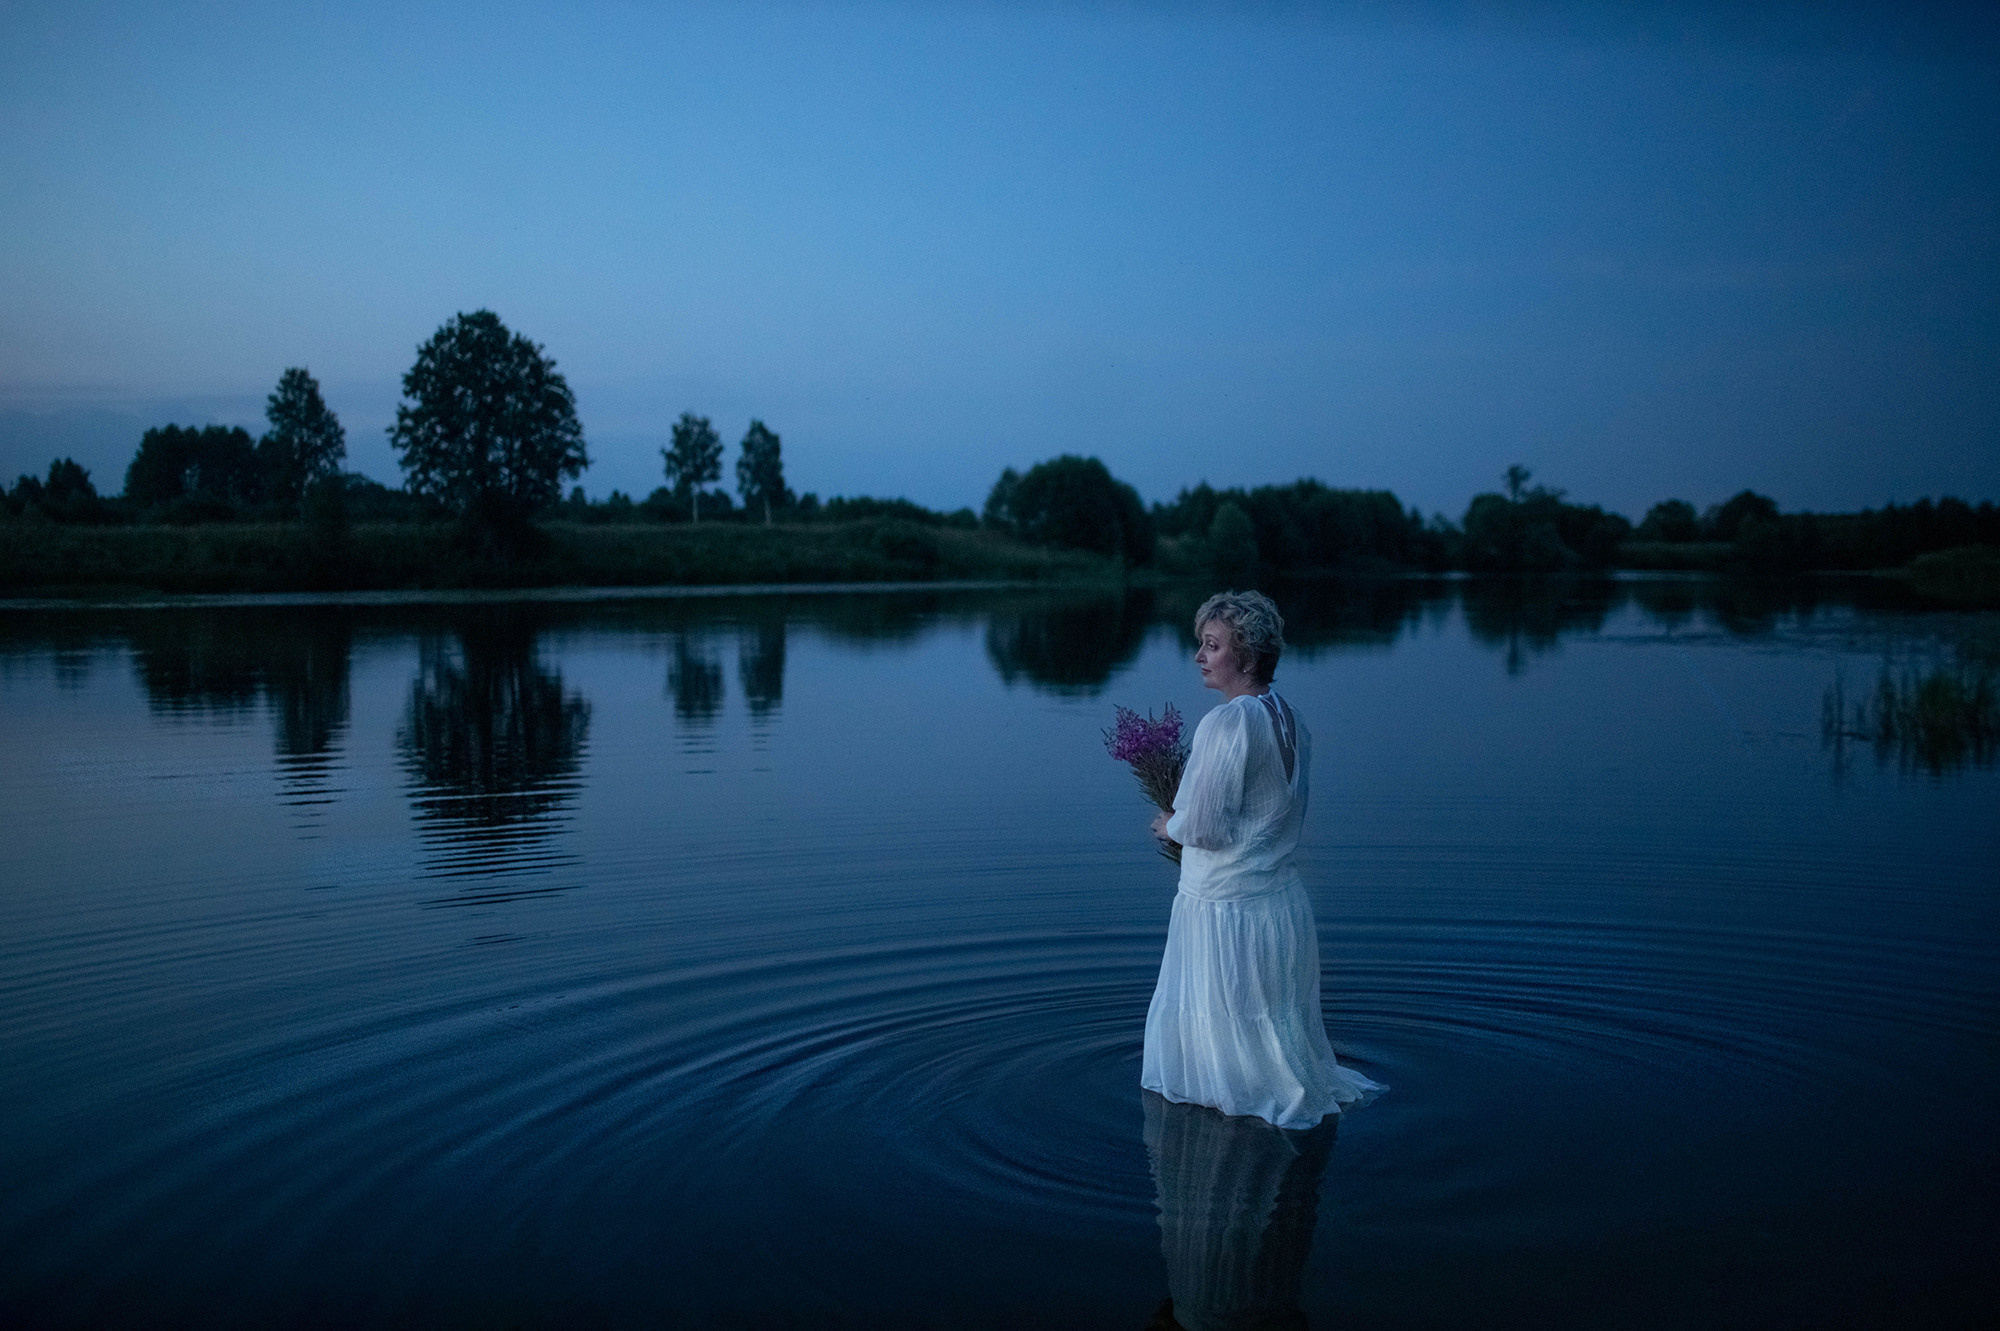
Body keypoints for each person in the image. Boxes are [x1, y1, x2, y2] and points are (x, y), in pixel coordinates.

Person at [1142, 590, 1381, 1129]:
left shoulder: (1227, 722)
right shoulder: (1292, 719)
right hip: (1278, 906)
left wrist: (1168, 824)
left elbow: (1206, 827)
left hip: (1227, 911)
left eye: (1212, 645)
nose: (1199, 656)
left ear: (1246, 654)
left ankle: (1239, 1134)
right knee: (1274, 1031)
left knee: (1230, 1064)